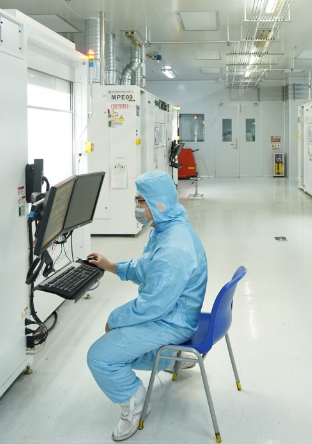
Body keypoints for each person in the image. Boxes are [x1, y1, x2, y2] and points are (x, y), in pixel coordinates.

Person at [86, 170, 208, 442]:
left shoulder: (174, 247)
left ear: (158, 204)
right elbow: (148, 267)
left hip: (172, 320)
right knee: (119, 340)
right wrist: (112, 266)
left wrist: (114, 319)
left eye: (140, 201)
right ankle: (170, 358)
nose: (137, 207)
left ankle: (136, 403)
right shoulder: (168, 227)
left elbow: (153, 306)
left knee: (100, 357)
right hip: (173, 311)